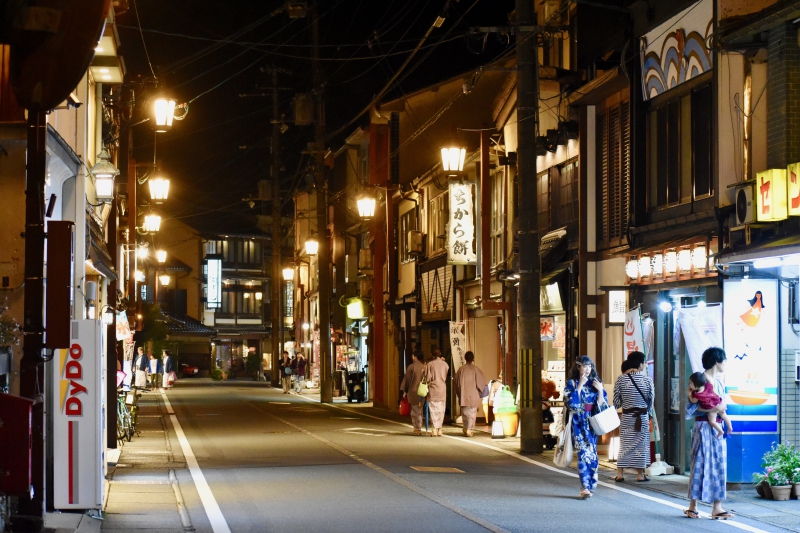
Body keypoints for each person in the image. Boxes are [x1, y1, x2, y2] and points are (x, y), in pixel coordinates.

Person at [684, 347, 733, 520]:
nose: (725, 363)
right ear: (717, 361)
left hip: (716, 426)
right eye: (724, 360)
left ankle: (717, 507)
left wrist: (719, 410)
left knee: (719, 465)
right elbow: (690, 408)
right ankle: (693, 506)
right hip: (703, 427)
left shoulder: (719, 383)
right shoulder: (698, 379)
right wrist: (715, 408)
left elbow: (722, 406)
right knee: (699, 464)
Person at [563, 355, 608, 499]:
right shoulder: (571, 383)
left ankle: (590, 484)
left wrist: (600, 391)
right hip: (578, 423)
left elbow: (602, 405)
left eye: (589, 366)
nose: (587, 369)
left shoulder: (596, 383)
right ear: (578, 367)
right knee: (583, 454)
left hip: (592, 422)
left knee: (592, 454)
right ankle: (585, 487)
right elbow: (571, 404)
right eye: (584, 366)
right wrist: (580, 385)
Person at [613, 351, 654, 482]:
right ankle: (640, 475)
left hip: (626, 417)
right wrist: (644, 410)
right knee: (641, 445)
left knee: (625, 444)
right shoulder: (647, 380)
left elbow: (616, 402)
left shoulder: (620, 379)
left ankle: (620, 474)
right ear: (640, 364)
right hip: (641, 417)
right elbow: (650, 402)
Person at [689, 372, 732, 438]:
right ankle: (730, 427)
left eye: (690, 383)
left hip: (712, 407)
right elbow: (711, 382)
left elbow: (693, 401)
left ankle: (720, 431)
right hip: (718, 401)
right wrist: (707, 378)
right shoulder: (708, 386)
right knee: (723, 414)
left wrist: (689, 394)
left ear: (696, 385)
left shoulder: (697, 394)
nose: (689, 385)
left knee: (712, 421)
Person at [454, 351, 487, 437]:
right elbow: (481, 382)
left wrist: (459, 393)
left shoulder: (461, 370)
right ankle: (468, 429)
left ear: (465, 358)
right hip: (473, 395)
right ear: (473, 359)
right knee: (472, 414)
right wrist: (479, 392)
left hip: (464, 395)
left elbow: (456, 383)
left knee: (465, 413)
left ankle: (465, 428)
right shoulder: (476, 370)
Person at [400, 350, 426, 435]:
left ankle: (417, 428)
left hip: (413, 391)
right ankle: (418, 427)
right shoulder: (424, 367)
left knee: (414, 411)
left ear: (415, 357)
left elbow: (407, 380)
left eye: (413, 355)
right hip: (422, 392)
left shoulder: (411, 367)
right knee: (419, 409)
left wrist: (405, 391)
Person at [425, 351, 449, 437]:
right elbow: (445, 376)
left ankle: (434, 429)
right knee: (441, 410)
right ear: (440, 355)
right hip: (442, 389)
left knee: (433, 410)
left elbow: (427, 378)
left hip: (433, 389)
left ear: (432, 355)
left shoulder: (430, 364)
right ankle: (440, 429)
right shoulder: (445, 364)